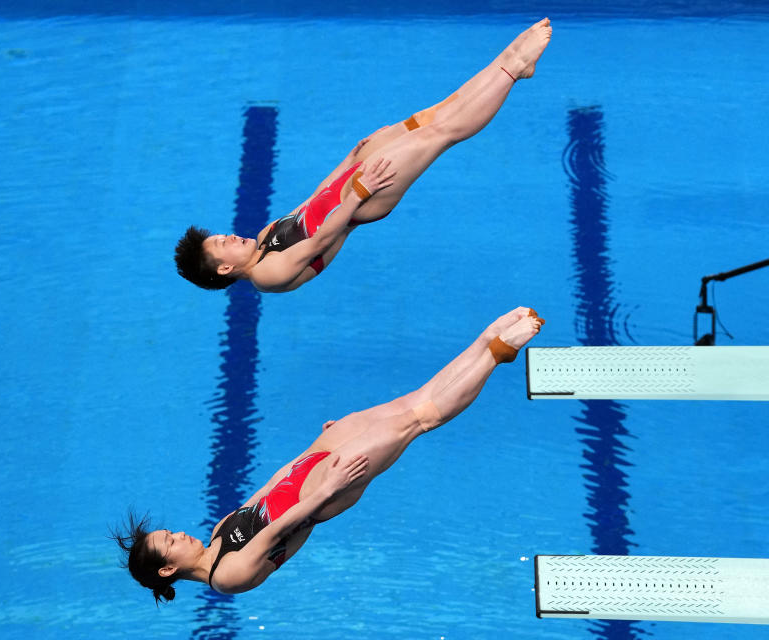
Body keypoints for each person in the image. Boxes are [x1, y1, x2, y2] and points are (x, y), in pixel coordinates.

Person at [114, 308, 544, 601]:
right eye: (170, 542)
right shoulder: (225, 577)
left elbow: (269, 487)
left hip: (313, 464)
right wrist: (329, 487)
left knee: (414, 400)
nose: (179, 534)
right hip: (323, 492)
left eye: (169, 531)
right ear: (168, 570)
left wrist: (315, 445)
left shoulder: (218, 531)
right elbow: (279, 529)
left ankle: (485, 341)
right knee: (420, 419)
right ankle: (497, 354)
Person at [174, 19, 552, 293]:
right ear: (225, 268)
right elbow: (321, 241)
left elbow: (311, 202)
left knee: (426, 120)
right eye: (224, 243)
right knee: (441, 133)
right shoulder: (266, 276)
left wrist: (347, 160)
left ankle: (508, 60)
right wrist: (359, 192)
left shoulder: (264, 236)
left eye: (223, 234)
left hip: (349, 181)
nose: (232, 236)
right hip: (361, 200)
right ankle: (512, 68)